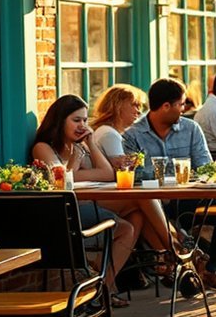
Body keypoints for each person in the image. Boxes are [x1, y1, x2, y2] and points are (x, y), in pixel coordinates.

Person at [122, 78, 216, 291]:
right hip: (153, 202)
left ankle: (211, 269)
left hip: (187, 199)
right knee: (148, 209)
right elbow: (133, 175)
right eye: (181, 104)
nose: (184, 109)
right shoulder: (132, 135)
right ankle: (183, 255)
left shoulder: (191, 128)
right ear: (166, 106)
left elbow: (205, 166)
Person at [32, 94, 137, 307]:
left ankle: (104, 286)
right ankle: (174, 252)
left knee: (137, 215)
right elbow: (61, 182)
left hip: (86, 205)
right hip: (65, 215)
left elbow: (106, 174)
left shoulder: (79, 144)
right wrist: (76, 161)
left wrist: (90, 142)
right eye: (76, 120)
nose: (82, 125)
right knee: (133, 219)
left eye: (85, 120)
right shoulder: (43, 147)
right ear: (60, 120)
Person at [90, 84, 187, 274]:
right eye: (134, 105)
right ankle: (175, 248)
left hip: (106, 196)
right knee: (144, 196)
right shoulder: (109, 134)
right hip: (97, 198)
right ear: (118, 106)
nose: (139, 110)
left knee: (137, 217)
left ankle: (108, 282)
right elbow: (124, 175)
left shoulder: (113, 133)